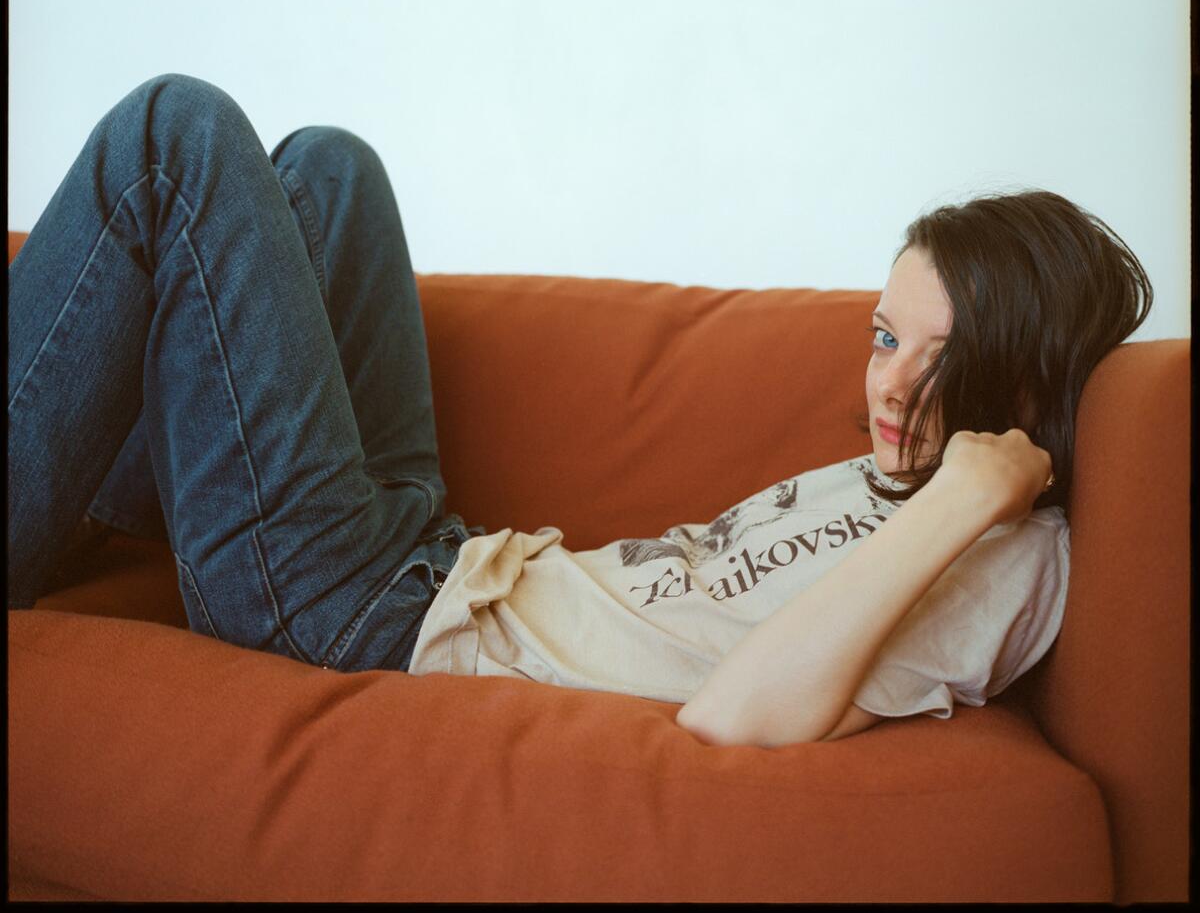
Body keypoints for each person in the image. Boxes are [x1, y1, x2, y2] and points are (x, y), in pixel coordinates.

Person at [7, 74, 1153, 748]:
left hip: (364, 620)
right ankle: (131, 470)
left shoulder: (1003, 559)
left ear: (1017, 380)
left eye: (938, 359)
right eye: (883, 338)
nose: (888, 391)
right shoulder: (915, 467)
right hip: (437, 557)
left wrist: (962, 500)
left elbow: (734, 717)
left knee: (174, 134)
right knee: (330, 167)